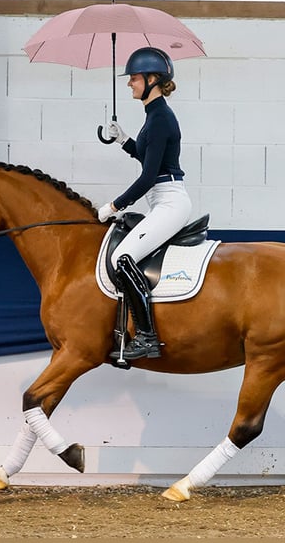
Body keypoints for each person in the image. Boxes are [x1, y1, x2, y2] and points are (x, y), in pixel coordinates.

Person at [97, 47, 192, 361]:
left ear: (153, 79)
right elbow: (148, 156)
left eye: (135, 78)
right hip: (162, 200)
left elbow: (148, 176)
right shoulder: (154, 115)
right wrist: (124, 140)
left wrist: (114, 206)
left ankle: (147, 338)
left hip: (170, 201)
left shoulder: (161, 118)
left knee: (123, 257)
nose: (130, 84)